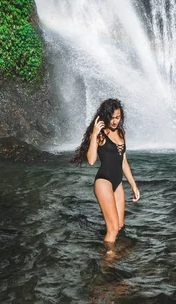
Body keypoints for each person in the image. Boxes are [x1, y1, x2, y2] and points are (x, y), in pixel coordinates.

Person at [72, 98, 140, 244]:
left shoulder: (121, 133)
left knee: (120, 226)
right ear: (106, 116)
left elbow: (124, 162)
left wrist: (133, 185)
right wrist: (94, 135)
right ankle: (107, 262)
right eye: (112, 117)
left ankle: (113, 255)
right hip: (103, 182)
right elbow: (91, 161)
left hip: (118, 184)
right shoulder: (101, 134)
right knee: (113, 229)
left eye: (118, 117)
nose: (115, 121)